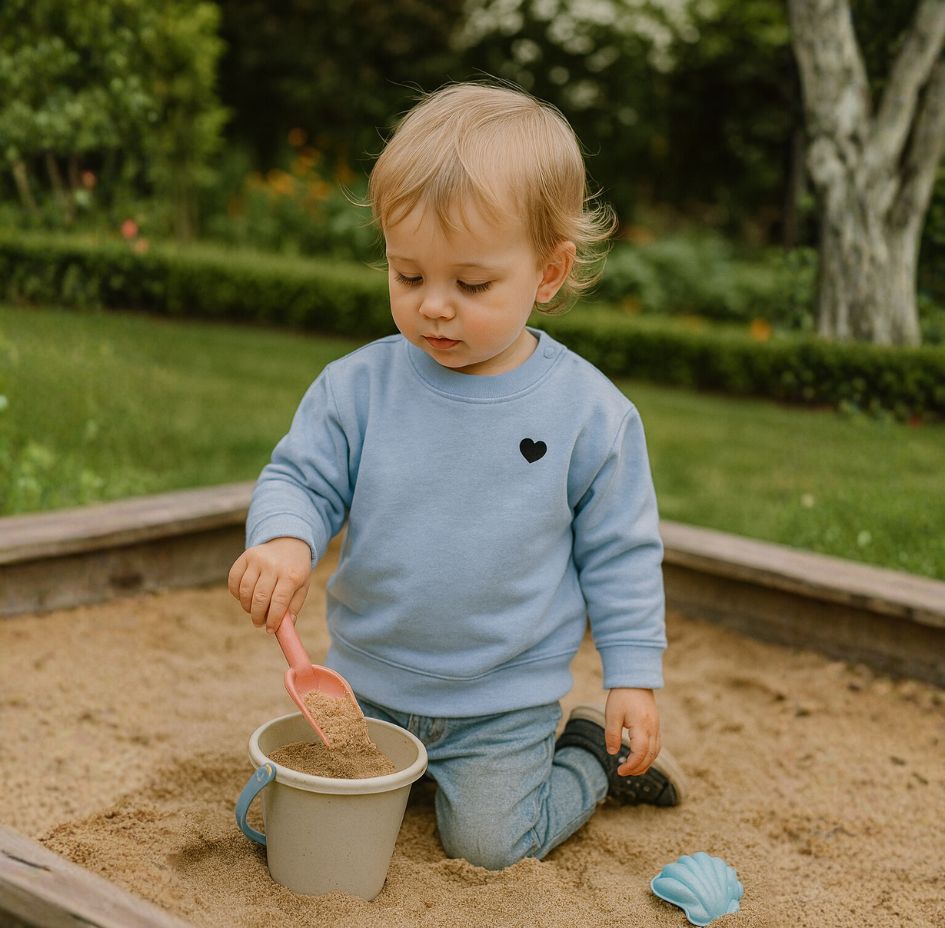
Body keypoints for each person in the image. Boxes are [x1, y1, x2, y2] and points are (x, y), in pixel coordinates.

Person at [228, 80, 685, 870]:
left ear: (548, 273)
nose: (434, 306)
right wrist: (282, 539)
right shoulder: (358, 387)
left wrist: (631, 678)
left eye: (470, 285)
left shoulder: (590, 414)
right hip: (365, 687)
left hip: (499, 703)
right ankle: (418, 770)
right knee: (319, 809)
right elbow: (301, 478)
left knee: (489, 848)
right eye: (408, 277)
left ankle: (584, 760)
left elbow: (620, 553)